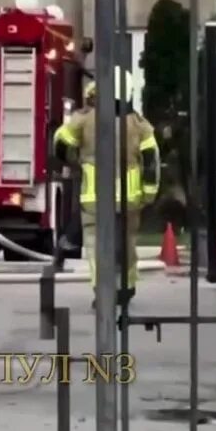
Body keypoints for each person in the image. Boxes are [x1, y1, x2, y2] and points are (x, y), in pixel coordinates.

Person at [52, 69, 161, 308]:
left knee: (95, 246)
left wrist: (73, 159)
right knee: (127, 244)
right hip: (130, 199)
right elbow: (151, 160)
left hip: (95, 198)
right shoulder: (140, 125)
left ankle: (103, 293)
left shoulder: (85, 119)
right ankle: (127, 287)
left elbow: (61, 144)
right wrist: (149, 192)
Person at [50, 82, 96, 271]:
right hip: (92, 176)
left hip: (90, 174)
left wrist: (69, 161)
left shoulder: (83, 117)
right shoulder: (85, 118)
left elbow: (60, 139)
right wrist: (71, 161)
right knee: (85, 217)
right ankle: (65, 248)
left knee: (85, 216)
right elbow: (62, 139)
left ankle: (64, 250)